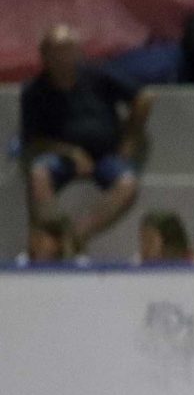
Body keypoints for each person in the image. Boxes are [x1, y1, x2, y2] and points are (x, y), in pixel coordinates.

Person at [21, 24, 153, 255]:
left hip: (106, 155)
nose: (63, 57)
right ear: (44, 55)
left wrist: (130, 137)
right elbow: (33, 139)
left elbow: (144, 97)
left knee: (127, 183)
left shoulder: (99, 75)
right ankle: (50, 239)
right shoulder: (34, 92)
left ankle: (76, 237)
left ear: (78, 52)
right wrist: (69, 152)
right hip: (62, 158)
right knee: (39, 174)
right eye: (56, 50)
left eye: (68, 49)